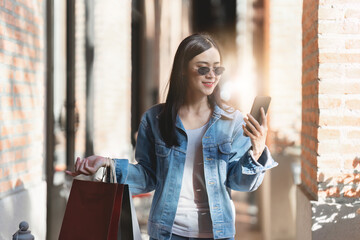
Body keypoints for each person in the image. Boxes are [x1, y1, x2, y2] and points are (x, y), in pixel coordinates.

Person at [66, 33, 278, 240]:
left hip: (216, 233)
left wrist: (256, 151)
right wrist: (108, 164)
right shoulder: (155, 119)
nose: (212, 75)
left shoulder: (232, 121)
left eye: (217, 68)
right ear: (183, 70)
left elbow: (239, 183)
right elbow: (148, 177)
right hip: (168, 231)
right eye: (203, 68)